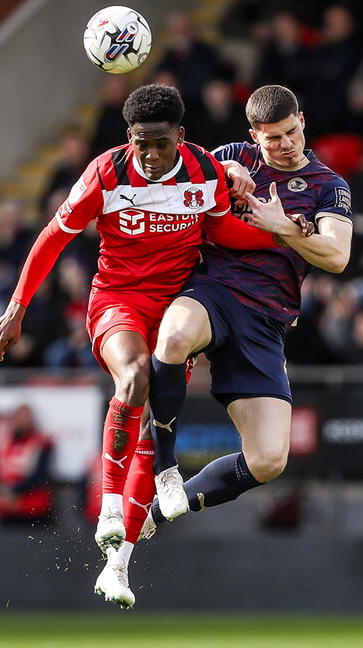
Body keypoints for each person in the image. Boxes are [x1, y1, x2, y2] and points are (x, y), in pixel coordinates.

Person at [0, 84, 308, 608]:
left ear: (180, 137)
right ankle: (111, 505)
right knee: (133, 378)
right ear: (127, 139)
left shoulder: (204, 172)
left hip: (173, 308)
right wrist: (17, 307)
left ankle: (119, 562)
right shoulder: (107, 173)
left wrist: (289, 235)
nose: (150, 156)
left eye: (160, 144)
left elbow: (226, 231)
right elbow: (52, 237)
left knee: (155, 424)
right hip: (118, 303)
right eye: (140, 144)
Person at [144, 84, 352, 562]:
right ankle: (163, 467)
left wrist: (280, 224)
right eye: (272, 137)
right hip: (212, 291)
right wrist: (225, 170)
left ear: (303, 121)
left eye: (291, 132)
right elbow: (174, 178)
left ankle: (157, 513)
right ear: (253, 134)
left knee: (267, 460)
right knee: (173, 337)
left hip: (266, 321)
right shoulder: (234, 155)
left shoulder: (328, 184)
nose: (285, 144)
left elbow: (338, 256)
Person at [0, 404, 55, 527]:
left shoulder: (41, 442)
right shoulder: (0, 442)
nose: (22, 422)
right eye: (19, 417)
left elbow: (41, 475)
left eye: (26, 418)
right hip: (6, 506)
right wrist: (3, 493)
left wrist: (15, 492)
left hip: (32, 506)